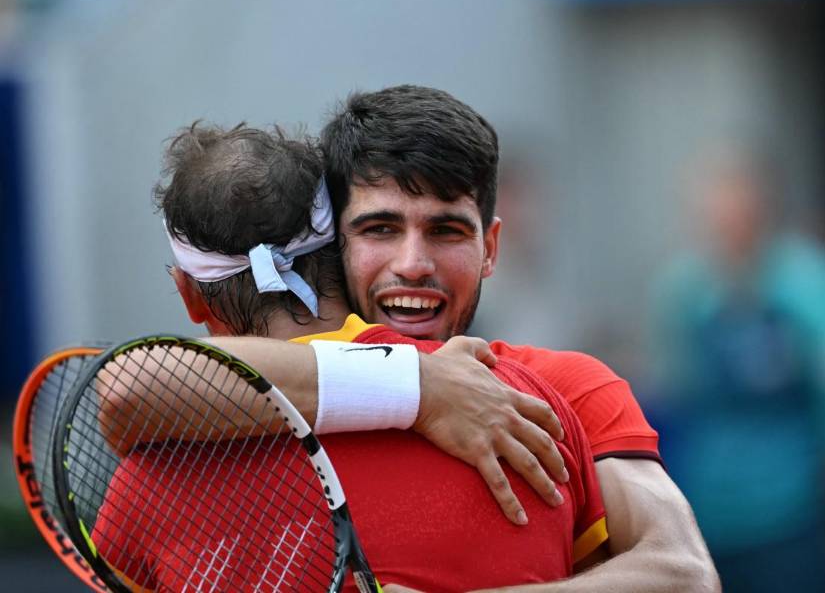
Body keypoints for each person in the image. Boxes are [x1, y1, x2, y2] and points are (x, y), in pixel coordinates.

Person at [113, 85, 719, 591]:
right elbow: (124, 390)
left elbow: (685, 575)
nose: (413, 263)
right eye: (380, 228)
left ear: (491, 249)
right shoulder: (191, 416)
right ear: (334, 247)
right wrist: (419, 386)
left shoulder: (564, 389)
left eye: (447, 231)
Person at [650, 145, 825, 592]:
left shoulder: (802, 283)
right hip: (713, 507)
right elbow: (679, 393)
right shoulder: (687, 288)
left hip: (792, 507)